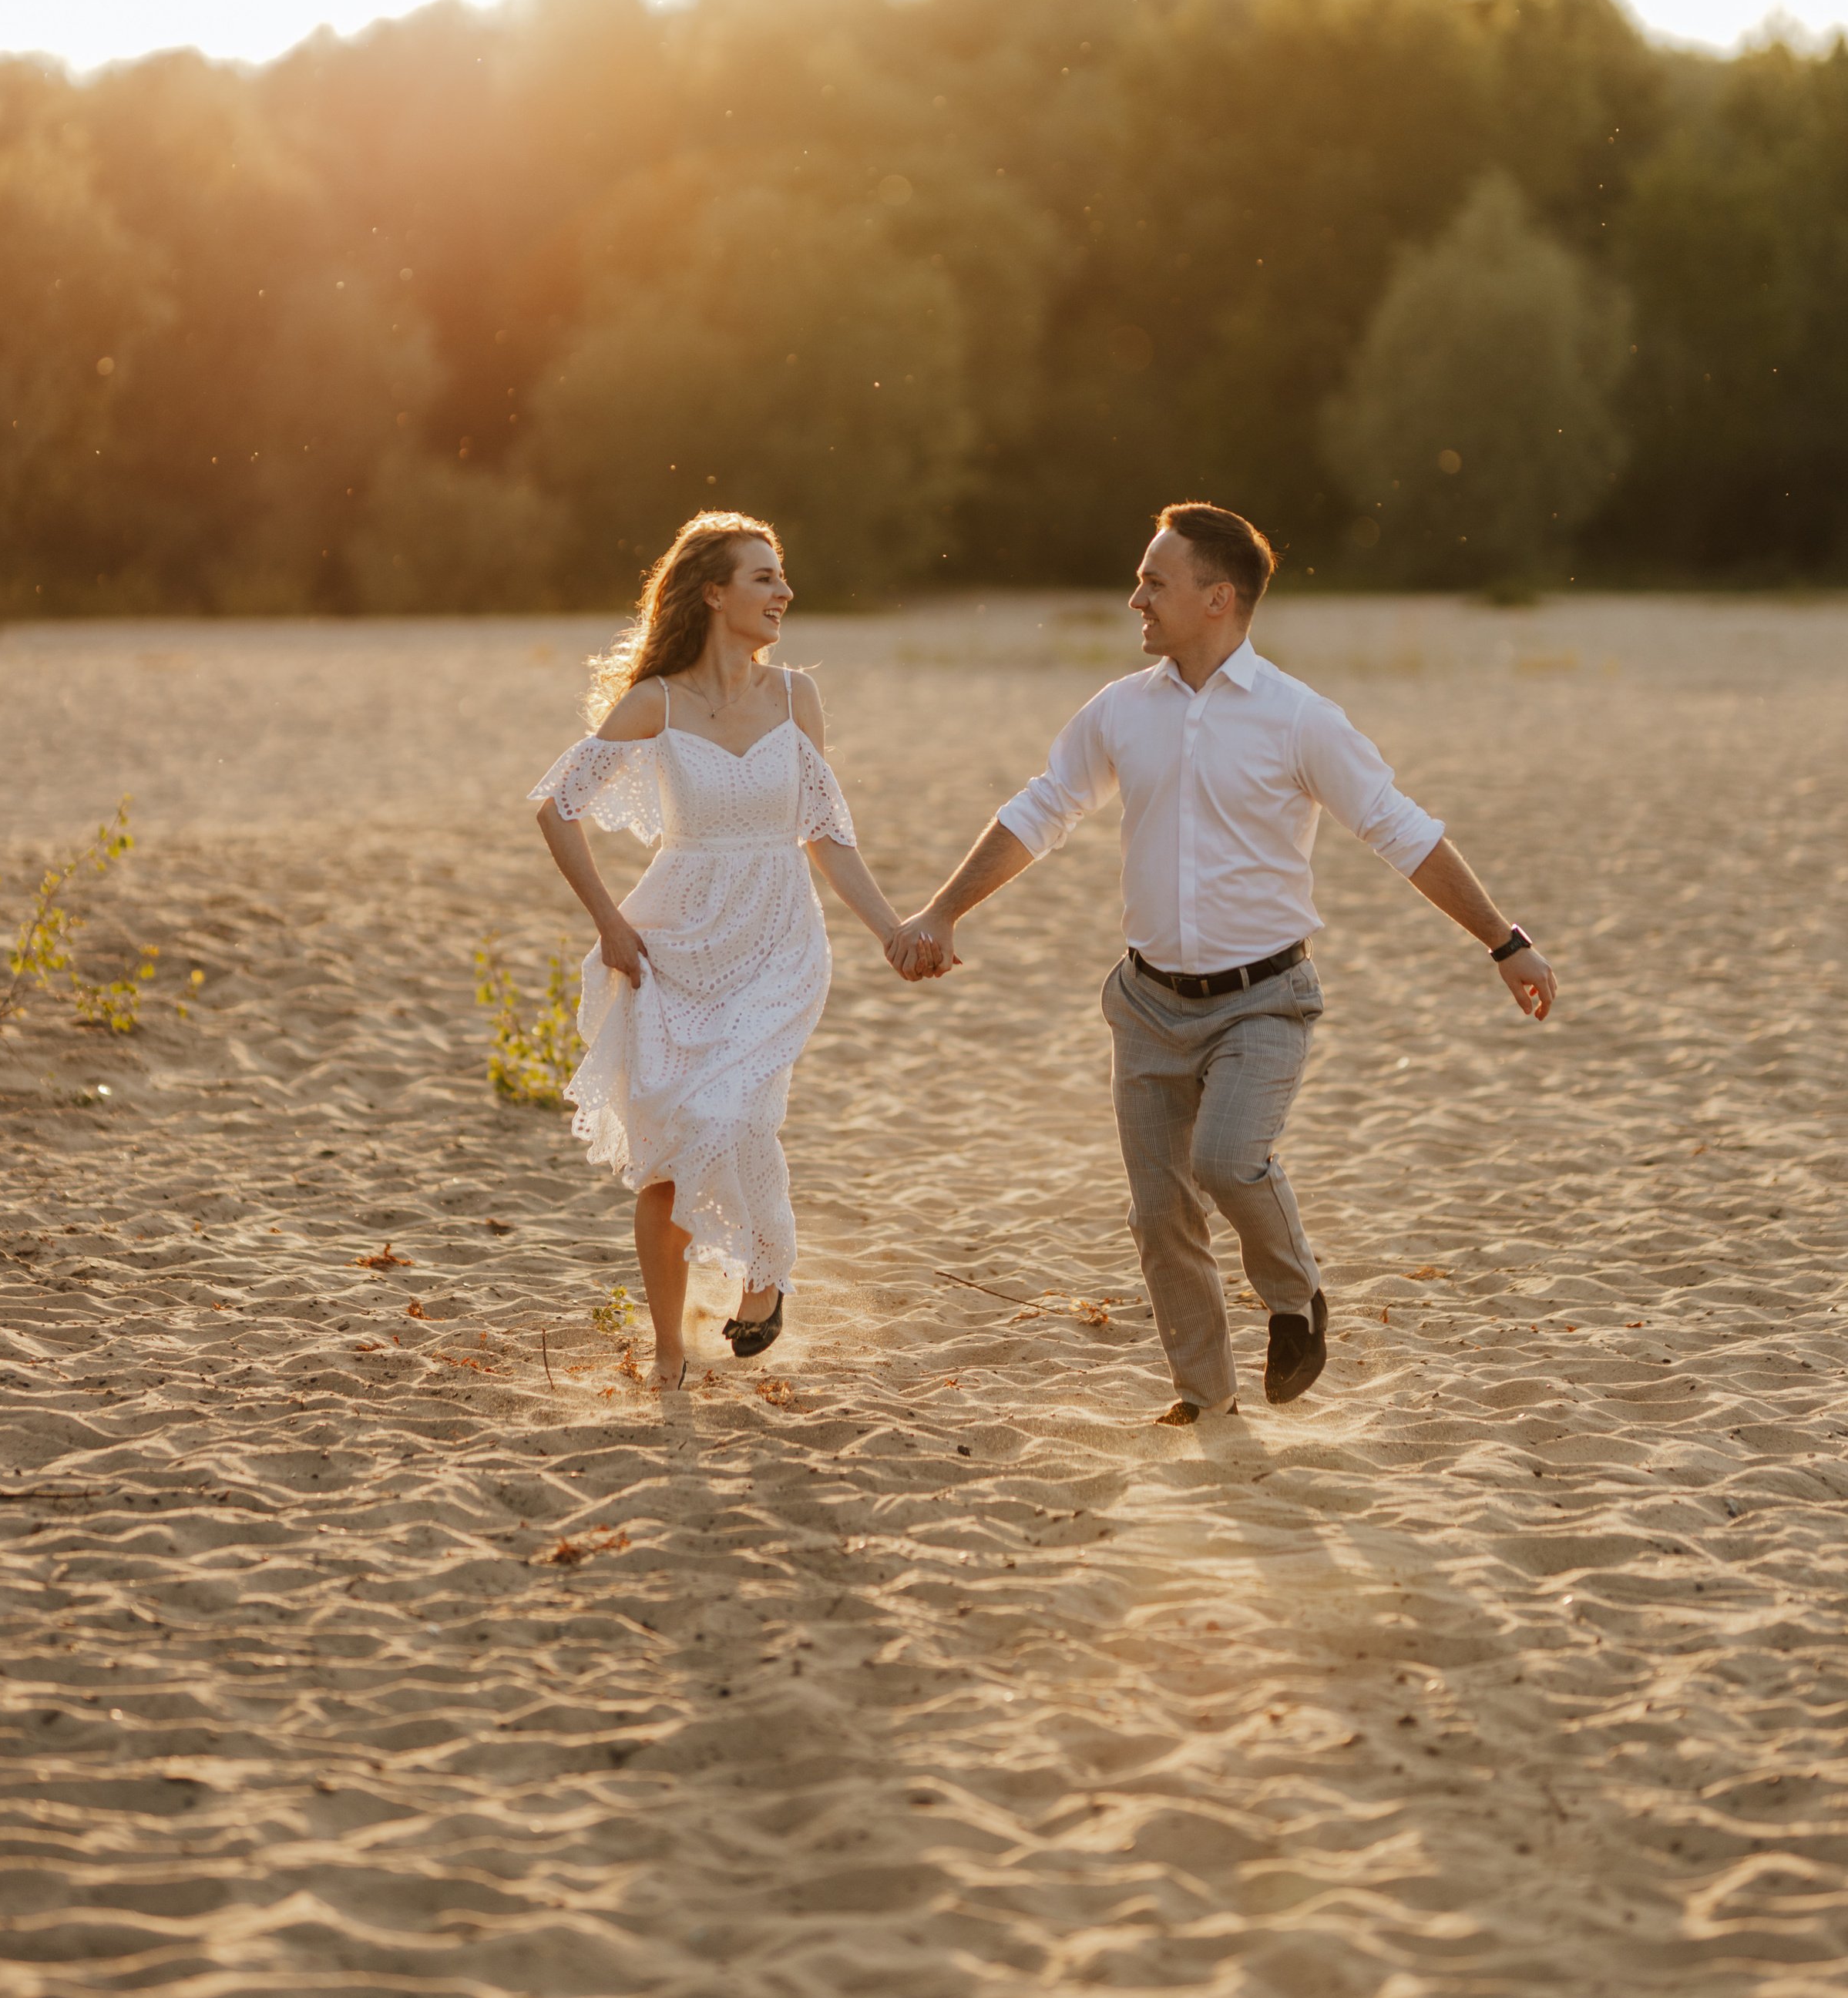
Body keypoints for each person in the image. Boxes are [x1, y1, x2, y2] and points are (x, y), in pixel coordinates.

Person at [884, 502, 1557, 1424]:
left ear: (1217, 598)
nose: (1135, 600)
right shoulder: (1121, 710)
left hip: (1264, 1001)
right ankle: (1206, 1398)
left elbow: (1402, 832)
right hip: (1145, 1004)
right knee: (1159, 1217)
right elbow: (1042, 810)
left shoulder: (1297, 719)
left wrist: (1504, 941)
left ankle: (1296, 1297)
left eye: (1154, 582)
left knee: (1230, 1161)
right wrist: (942, 909)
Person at [532, 512, 904, 1392]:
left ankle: (768, 1273)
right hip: (675, 941)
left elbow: (828, 836)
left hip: (779, 936)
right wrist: (608, 925)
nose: (783, 593)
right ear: (712, 592)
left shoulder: (794, 699)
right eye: (764, 577)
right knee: (670, 1154)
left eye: (781, 577)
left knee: (733, 1111)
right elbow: (555, 806)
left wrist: (891, 930)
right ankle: (668, 1352)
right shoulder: (655, 703)